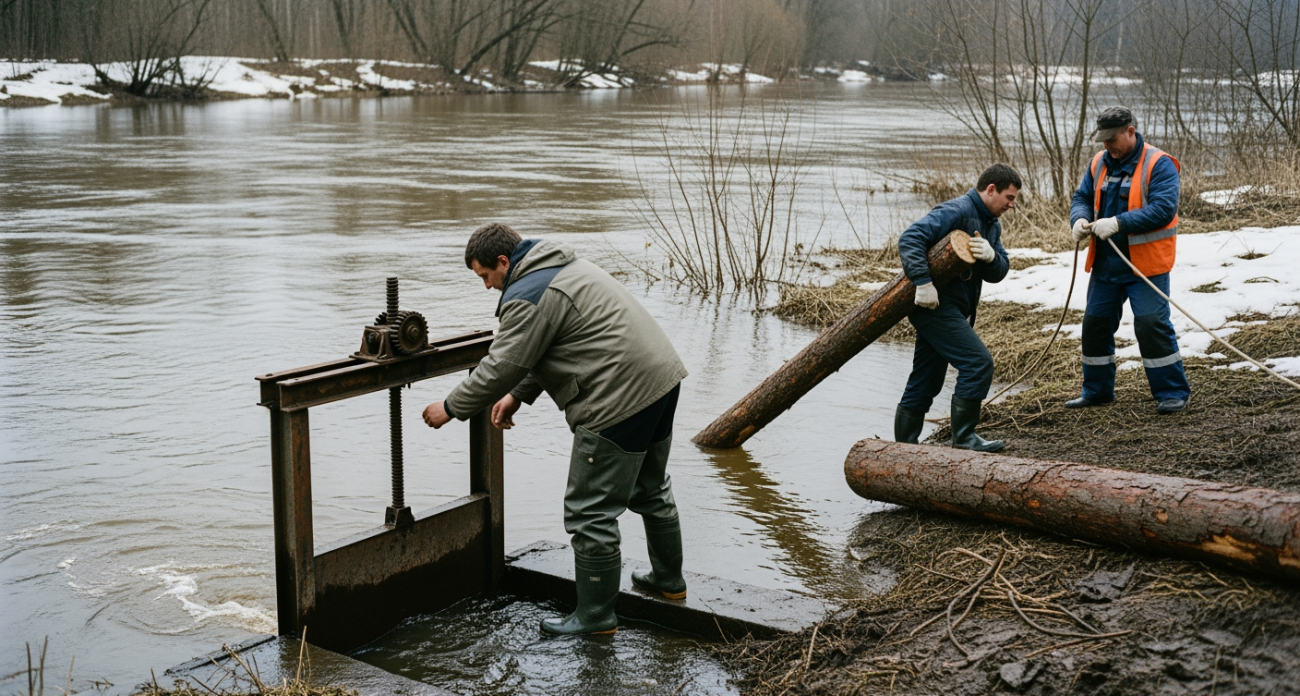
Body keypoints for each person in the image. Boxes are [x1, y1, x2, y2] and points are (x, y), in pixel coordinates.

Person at [422, 223, 690, 636]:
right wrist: (520, 395)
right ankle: (669, 582)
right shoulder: (561, 267)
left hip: (617, 397)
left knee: (590, 511)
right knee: (650, 486)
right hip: (660, 381)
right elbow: (552, 343)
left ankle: (596, 618)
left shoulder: (527, 295)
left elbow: (502, 365)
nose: (486, 287)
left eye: (485, 276)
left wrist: (450, 407)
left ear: (503, 262)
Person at [1068, 106, 1190, 414]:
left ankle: (1172, 392)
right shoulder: (1098, 163)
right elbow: (1081, 197)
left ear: (1130, 132)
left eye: (1112, 139)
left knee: (1151, 325)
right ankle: (1096, 391)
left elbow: (1163, 209)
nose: (1107, 146)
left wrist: (1119, 223)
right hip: (1106, 265)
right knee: (1095, 325)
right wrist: (1079, 219)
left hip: (1145, 266)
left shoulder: (1159, 164)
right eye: (1103, 140)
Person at [894, 163, 1019, 453]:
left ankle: (904, 450)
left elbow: (999, 270)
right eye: (1009, 198)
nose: (1011, 205)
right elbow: (910, 238)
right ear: (991, 190)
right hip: (934, 306)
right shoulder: (957, 211)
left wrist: (991, 256)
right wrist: (923, 283)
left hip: (950, 308)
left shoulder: (991, 224)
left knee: (927, 379)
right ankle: (963, 438)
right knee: (978, 364)